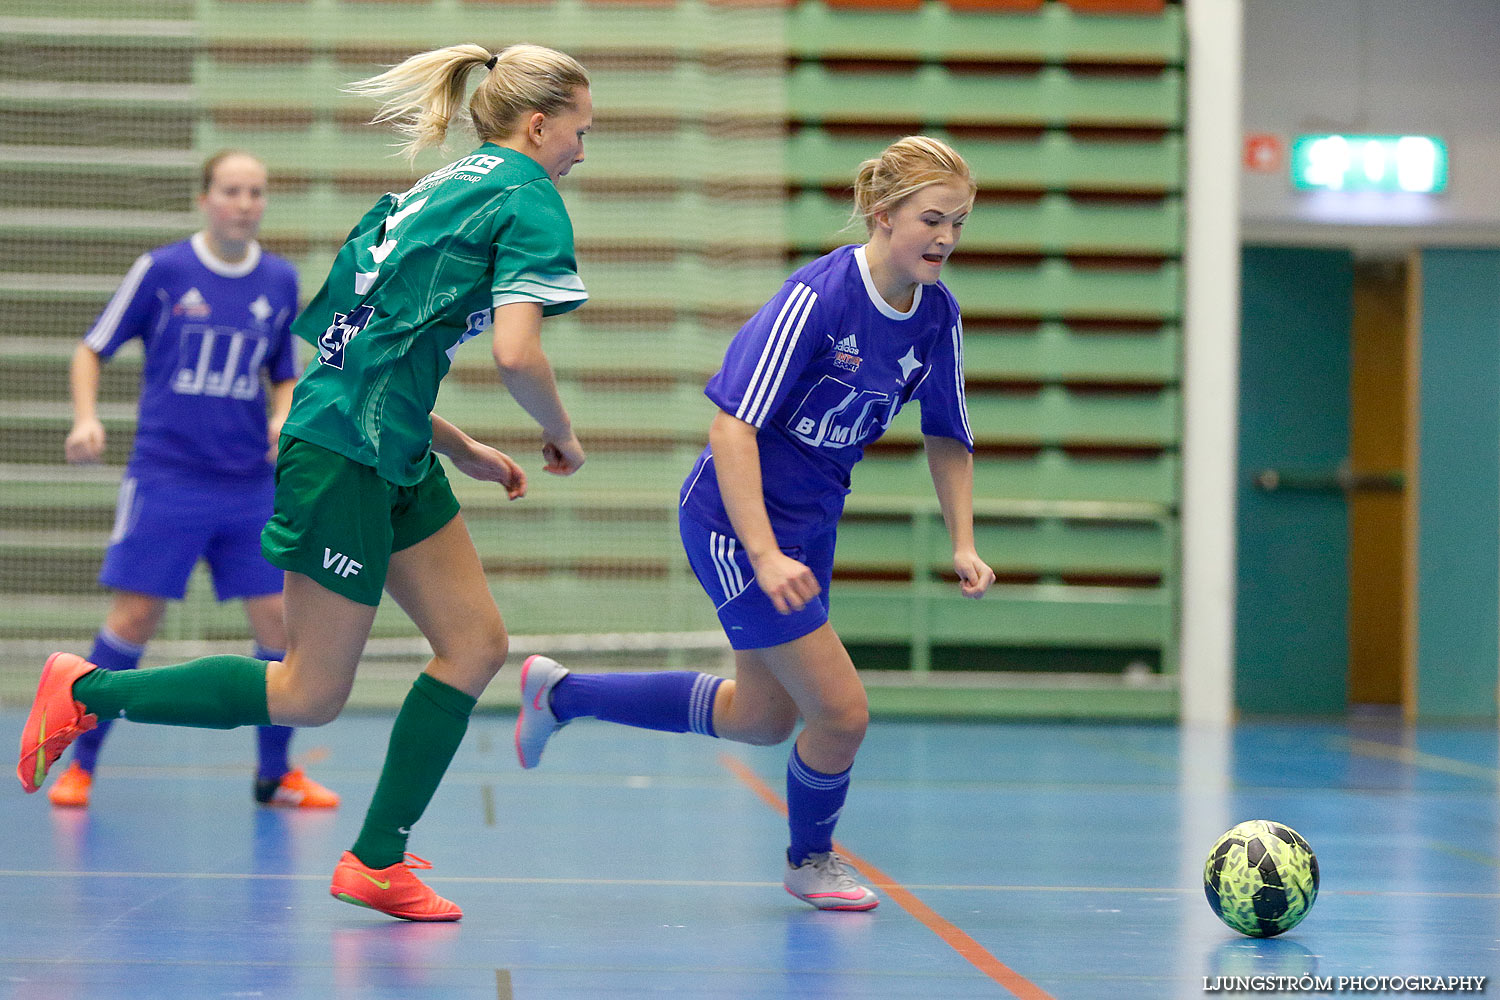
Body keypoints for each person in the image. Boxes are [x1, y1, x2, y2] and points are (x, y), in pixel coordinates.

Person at [18, 42, 594, 922]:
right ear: (541, 123)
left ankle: (375, 861)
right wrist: (559, 432)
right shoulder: (527, 197)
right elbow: (518, 352)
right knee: (308, 692)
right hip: (342, 457)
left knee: (475, 644)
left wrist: (460, 445)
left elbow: (356, 353)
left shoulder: (425, 194)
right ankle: (85, 690)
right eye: (581, 133)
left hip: (387, 442)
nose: (583, 153)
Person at [514, 135, 997, 911]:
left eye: (960, 223)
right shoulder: (817, 299)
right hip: (735, 523)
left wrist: (964, 542)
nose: (946, 238)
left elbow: (948, 433)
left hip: (808, 527)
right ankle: (810, 862)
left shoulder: (937, 317)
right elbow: (731, 428)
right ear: (882, 216)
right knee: (840, 714)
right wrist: (765, 553)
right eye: (932, 219)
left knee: (763, 717)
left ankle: (562, 695)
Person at [46, 150, 338, 812]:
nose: (245, 202)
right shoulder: (163, 270)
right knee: (136, 615)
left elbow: (284, 371)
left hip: (248, 485)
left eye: (256, 192)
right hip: (168, 477)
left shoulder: (280, 280)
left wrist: (284, 411)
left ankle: (274, 774)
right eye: (232, 190)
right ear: (206, 198)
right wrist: (87, 419)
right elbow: (91, 348)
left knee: (278, 624)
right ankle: (82, 764)